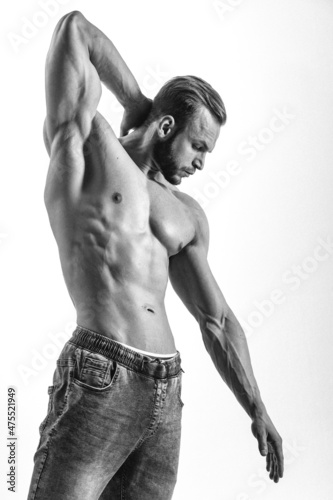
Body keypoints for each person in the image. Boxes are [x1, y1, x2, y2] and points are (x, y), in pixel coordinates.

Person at [28, 10, 284, 500]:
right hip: (100, 373)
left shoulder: (186, 213)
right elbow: (74, 31)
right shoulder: (89, 146)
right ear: (166, 125)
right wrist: (138, 102)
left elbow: (218, 321)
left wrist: (258, 409)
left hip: (165, 393)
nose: (201, 164)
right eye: (198, 146)